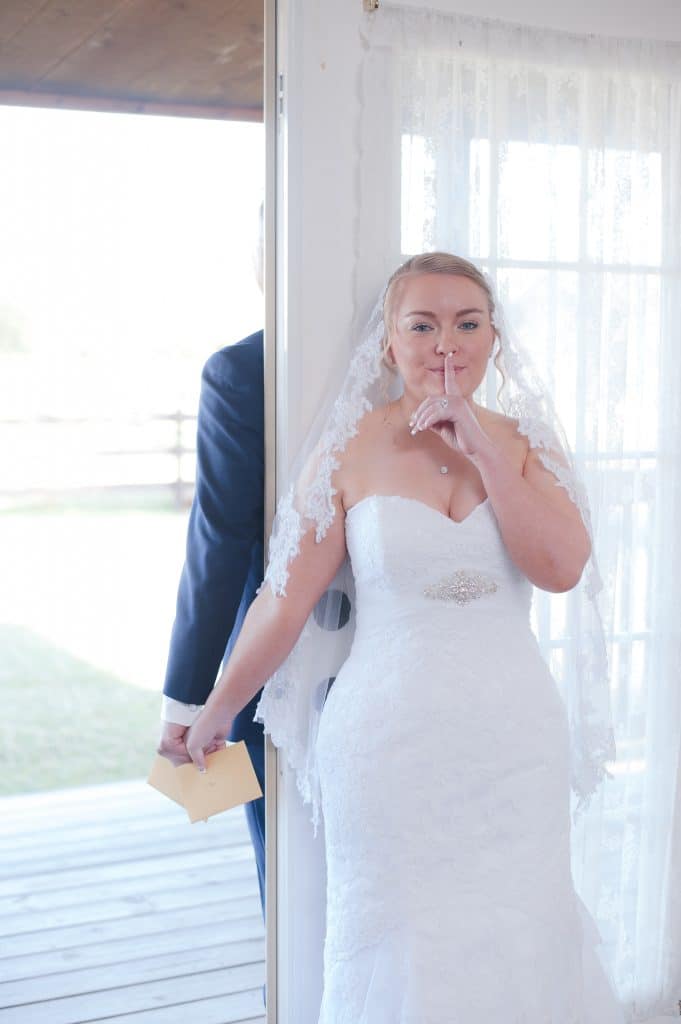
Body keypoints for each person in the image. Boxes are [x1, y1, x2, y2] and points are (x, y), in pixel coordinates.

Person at [183, 253, 622, 1022]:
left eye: (466, 323)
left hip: (513, 737)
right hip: (389, 738)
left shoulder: (522, 445)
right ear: (390, 343)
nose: (445, 343)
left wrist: (481, 449)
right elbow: (283, 603)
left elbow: (560, 568)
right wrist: (216, 706)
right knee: (396, 930)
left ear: (492, 339)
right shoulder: (350, 449)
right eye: (421, 325)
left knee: (521, 916)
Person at [157, 216, 266, 918]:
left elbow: (221, 536)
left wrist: (188, 698)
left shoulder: (241, 370)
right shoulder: (433, 361)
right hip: (423, 654)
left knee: (285, 872)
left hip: (274, 659)